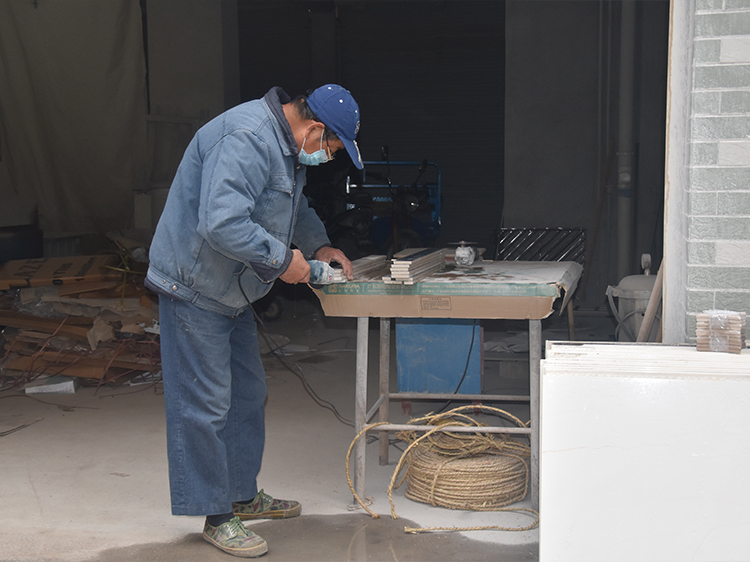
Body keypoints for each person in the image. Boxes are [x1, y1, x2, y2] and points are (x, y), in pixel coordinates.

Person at [145, 84, 362, 558]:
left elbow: (293, 209)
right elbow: (222, 223)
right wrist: (285, 262)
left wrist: (320, 246)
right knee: (205, 404)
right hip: (194, 284)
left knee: (247, 393)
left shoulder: (288, 148)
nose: (328, 158)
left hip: (233, 289)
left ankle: (241, 494)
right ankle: (216, 515)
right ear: (315, 129)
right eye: (331, 149)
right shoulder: (246, 138)